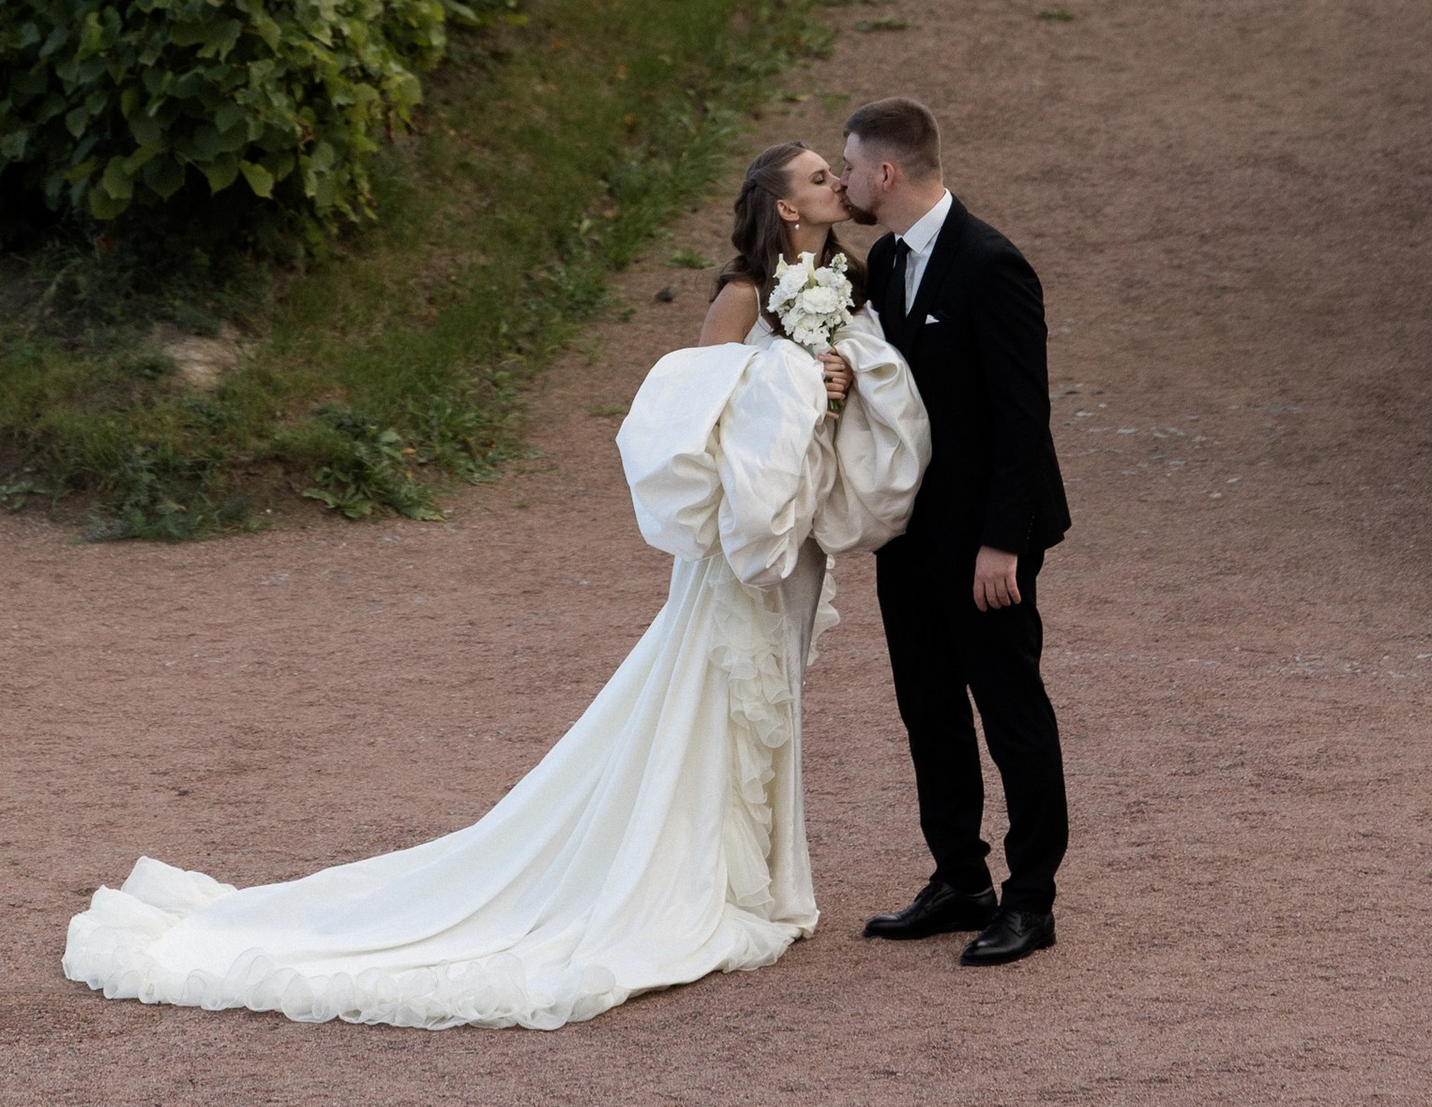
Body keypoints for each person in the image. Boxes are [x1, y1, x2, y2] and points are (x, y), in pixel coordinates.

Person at [61, 141, 927, 1030]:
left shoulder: (848, 286)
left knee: (773, 689)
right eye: (820, 177)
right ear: (786, 207)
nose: (835, 185)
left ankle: (760, 878)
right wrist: (792, 384)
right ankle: (693, 881)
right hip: (736, 543)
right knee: (714, 691)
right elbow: (694, 424)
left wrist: (839, 383)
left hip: (798, 536)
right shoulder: (741, 297)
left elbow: (858, 400)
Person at [841, 98, 1070, 970]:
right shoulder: (888, 257)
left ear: (887, 173)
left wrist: (1003, 541)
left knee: (1011, 712)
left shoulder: (992, 265)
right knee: (927, 707)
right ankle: (959, 878)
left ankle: (1031, 899)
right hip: (911, 537)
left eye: (853, 165)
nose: (846, 179)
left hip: (987, 542)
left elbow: (1024, 416)